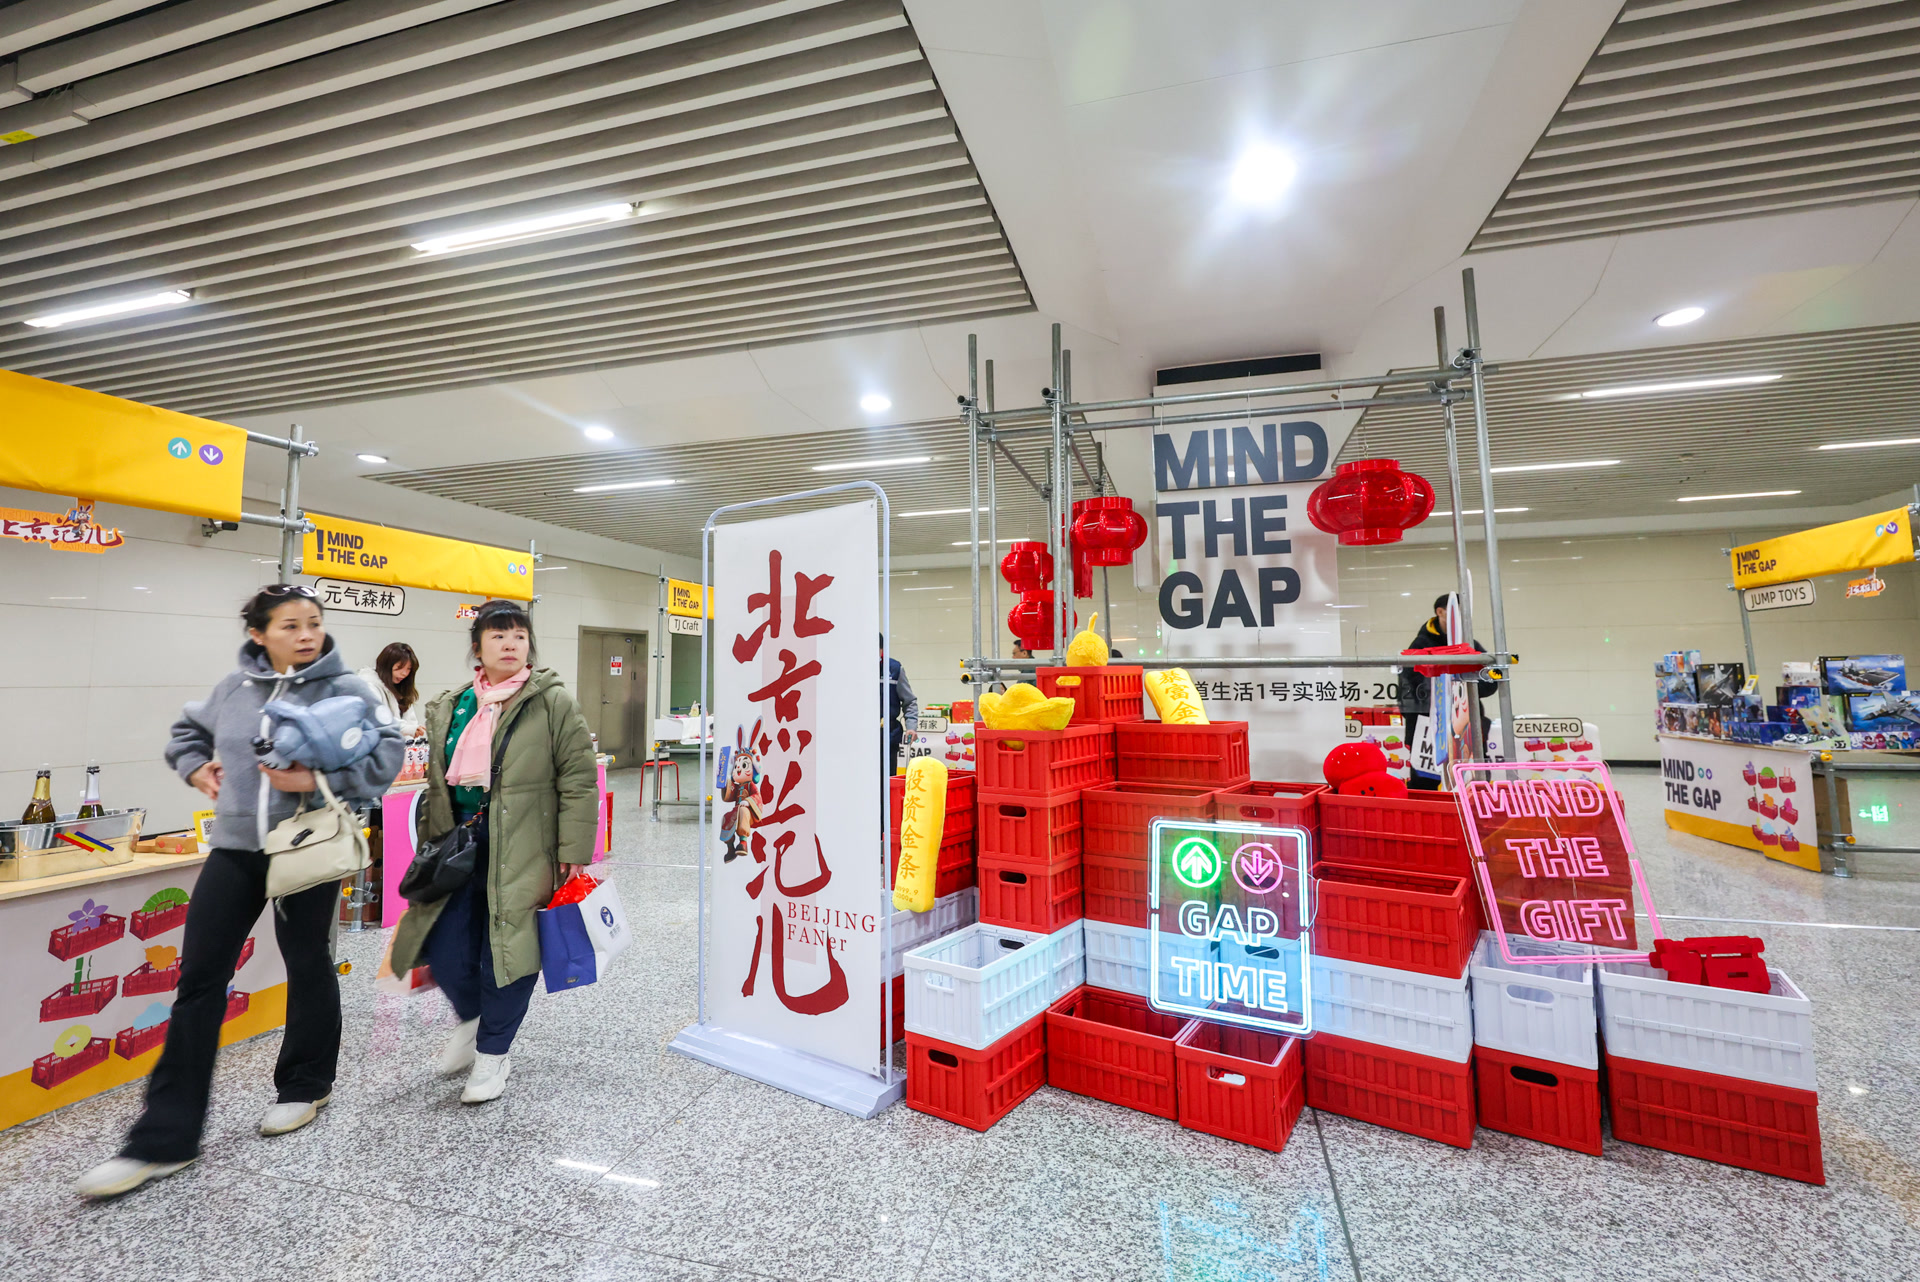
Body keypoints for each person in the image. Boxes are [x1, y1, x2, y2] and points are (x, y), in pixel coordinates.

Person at [77, 585, 404, 1199]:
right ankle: (163, 1139)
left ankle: (306, 1085)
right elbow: (185, 731)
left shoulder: (345, 689)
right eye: (290, 625)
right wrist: (196, 766)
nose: (306, 635)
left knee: (307, 960)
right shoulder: (234, 688)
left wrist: (320, 778)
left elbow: (388, 754)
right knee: (200, 979)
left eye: (313, 623)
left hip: (304, 842)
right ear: (258, 633)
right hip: (234, 850)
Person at [386, 599, 599, 1104]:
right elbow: (437, 783)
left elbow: (578, 778)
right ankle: (472, 1018)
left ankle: (492, 1053)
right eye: (498, 635)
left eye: (519, 636)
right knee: (445, 945)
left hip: (525, 845)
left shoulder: (551, 702)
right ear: (477, 647)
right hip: (458, 846)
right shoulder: (454, 704)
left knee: (506, 951)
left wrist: (573, 849)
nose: (510, 644)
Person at [1398, 594, 1496, 790]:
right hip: (1429, 727)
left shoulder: (1470, 645)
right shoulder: (1420, 646)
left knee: (1474, 781)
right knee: (1426, 781)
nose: (1463, 617)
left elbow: (1491, 681)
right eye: (1458, 611)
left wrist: (1466, 686)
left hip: (1467, 725)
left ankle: (1474, 810)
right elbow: (1409, 689)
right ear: (1440, 612)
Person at [358, 641, 423, 731]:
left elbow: (411, 721)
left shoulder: (402, 687)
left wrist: (414, 731)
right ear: (386, 666)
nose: (404, 673)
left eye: (409, 669)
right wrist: (407, 729)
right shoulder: (369, 685)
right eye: (399, 667)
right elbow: (378, 718)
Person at [883, 634, 919, 776]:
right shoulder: (855, 668)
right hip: (860, 735)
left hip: (887, 734)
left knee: (886, 779)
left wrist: (911, 727)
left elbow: (909, 701)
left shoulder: (894, 669)